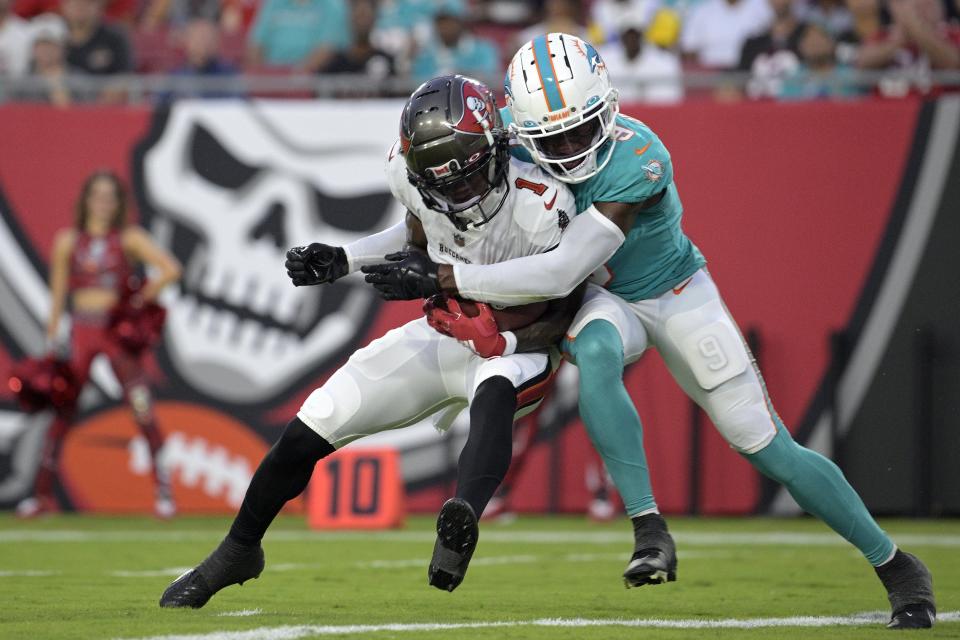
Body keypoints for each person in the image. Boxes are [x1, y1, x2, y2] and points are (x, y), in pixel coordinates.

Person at [362, 33, 938, 629]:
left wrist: (445, 276)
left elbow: (563, 265)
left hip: (673, 292)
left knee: (765, 445)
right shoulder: (497, 137)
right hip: (601, 299)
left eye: (582, 130)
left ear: (607, 110)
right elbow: (436, 209)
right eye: (552, 138)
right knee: (598, 351)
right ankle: (648, 528)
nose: (570, 147)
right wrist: (356, 258)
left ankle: (896, 565)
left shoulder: (637, 156)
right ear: (521, 128)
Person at [158, 75, 582, 608]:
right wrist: (345, 259)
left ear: (496, 146)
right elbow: (416, 235)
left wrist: (502, 331)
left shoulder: (542, 202)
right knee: (314, 422)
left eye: (468, 178)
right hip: (444, 332)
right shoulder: (413, 178)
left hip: (519, 349)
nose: (459, 195)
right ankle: (238, 549)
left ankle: (464, 515)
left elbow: (565, 301)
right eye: (443, 184)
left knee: (495, 390)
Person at [16, 170, 182, 519]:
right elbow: (59, 295)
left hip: (113, 334)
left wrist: (137, 299)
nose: (104, 203)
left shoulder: (128, 238)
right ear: (86, 200)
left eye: (111, 197)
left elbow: (170, 269)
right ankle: (41, 495)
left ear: (119, 202)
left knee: (141, 405)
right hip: (81, 332)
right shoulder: (68, 241)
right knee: (62, 409)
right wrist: (52, 340)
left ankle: (164, 493)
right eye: (98, 196)